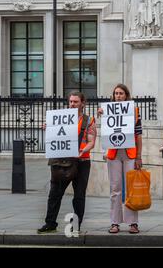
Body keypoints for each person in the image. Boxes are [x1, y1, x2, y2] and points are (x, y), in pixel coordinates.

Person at [37, 92, 96, 234]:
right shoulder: (60, 118)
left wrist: (82, 151)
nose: (72, 104)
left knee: (79, 196)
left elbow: (91, 141)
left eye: (76, 102)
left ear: (83, 103)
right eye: (70, 101)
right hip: (62, 161)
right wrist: (48, 127)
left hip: (82, 162)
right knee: (55, 193)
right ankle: (50, 223)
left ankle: (75, 225)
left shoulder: (89, 120)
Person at [99, 84, 143, 234]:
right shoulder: (107, 110)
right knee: (115, 188)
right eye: (116, 93)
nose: (118, 95)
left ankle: (133, 223)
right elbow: (104, 132)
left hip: (130, 153)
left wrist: (139, 156)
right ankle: (115, 223)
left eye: (121, 93)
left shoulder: (134, 111)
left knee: (131, 189)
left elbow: (138, 136)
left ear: (126, 95)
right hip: (113, 153)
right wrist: (101, 115)